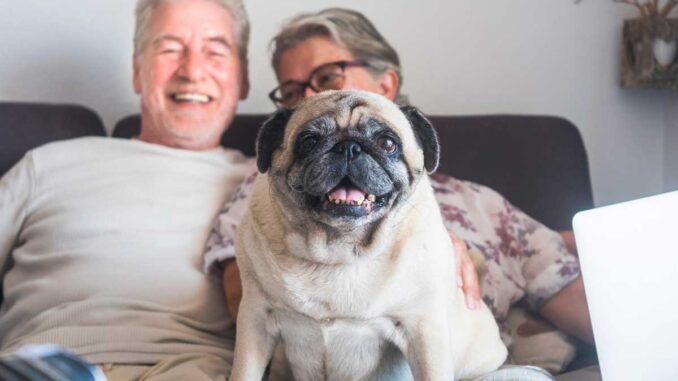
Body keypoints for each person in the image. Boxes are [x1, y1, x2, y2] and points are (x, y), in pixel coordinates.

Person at [204, 7, 593, 373]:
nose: (310, 100)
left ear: (386, 84)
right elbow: (248, 301)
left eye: (327, 79)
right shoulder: (266, 191)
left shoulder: (483, 205)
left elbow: (571, 290)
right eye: (292, 92)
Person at [0, 0, 253, 380]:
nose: (192, 71)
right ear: (138, 71)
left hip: (194, 369)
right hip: (49, 363)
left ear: (244, 78)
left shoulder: (267, 183)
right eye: (169, 49)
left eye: (215, 52)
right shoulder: (46, 164)